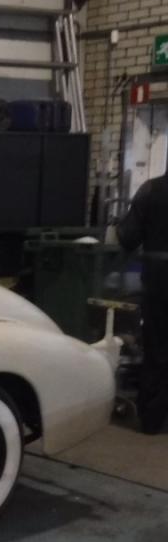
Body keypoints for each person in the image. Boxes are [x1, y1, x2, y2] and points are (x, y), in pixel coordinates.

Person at [118, 171, 168, 434]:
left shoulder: (151, 190)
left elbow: (128, 237)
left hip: (159, 281)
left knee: (157, 347)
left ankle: (151, 420)